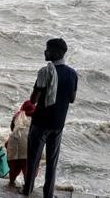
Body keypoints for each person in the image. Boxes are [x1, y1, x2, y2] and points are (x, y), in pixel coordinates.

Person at [21, 38, 77, 198]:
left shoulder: (45, 71)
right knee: (52, 162)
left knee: (33, 159)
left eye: (48, 49)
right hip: (58, 123)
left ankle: (27, 190)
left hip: (40, 122)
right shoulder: (72, 74)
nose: (45, 52)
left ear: (57, 52)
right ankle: (48, 194)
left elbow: (33, 99)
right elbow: (72, 98)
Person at [6, 100, 36, 186]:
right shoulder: (36, 117)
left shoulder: (17, 115)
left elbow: (12, 128)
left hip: (14, 145)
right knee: (27, 167)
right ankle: (27, 184)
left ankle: (12, 181)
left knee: (13, 166)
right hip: (28, 147)